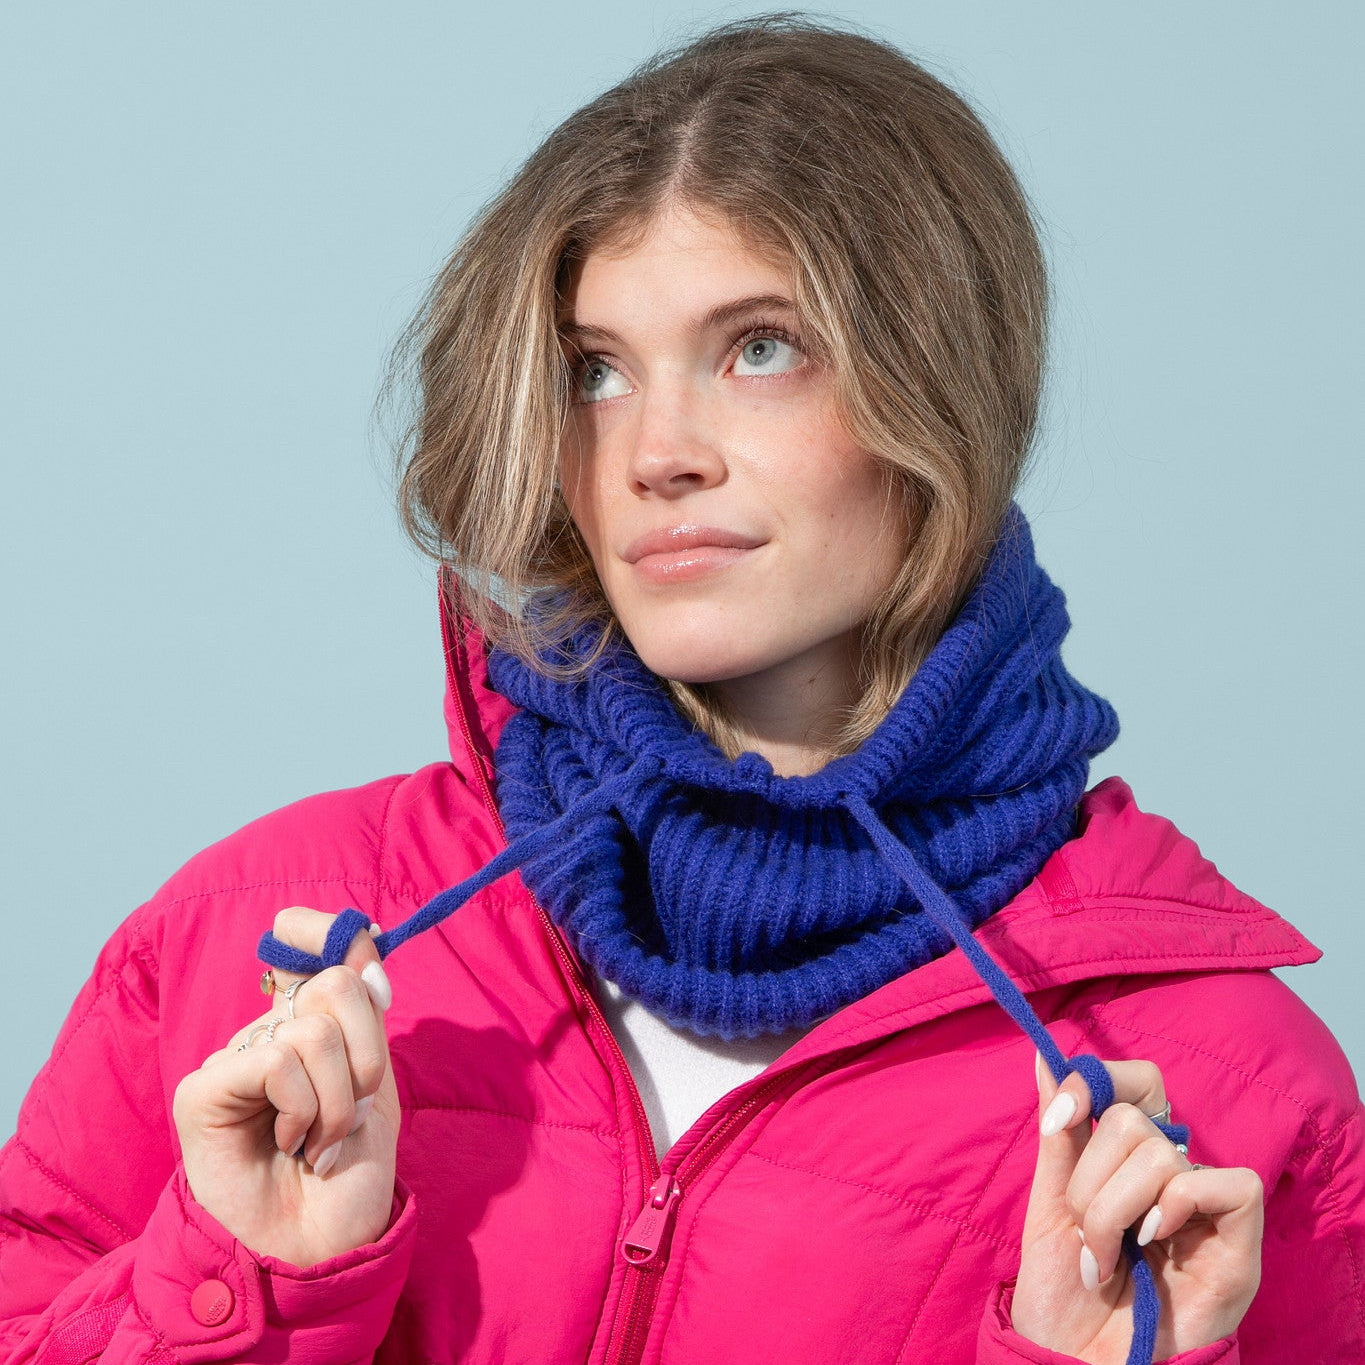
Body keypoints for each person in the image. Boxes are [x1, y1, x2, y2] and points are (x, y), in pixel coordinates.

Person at [2, 15, 1361, 1365]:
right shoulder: (248, 944)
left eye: (759, 347)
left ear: (946, 387)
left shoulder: (1220, 1081)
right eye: (595, 371)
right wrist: (245, 1290)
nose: (656, 453)